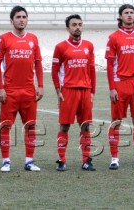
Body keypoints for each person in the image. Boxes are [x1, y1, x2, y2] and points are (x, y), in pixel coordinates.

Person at [0, 5, 44, 172]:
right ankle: (6, 161)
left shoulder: (33, 39)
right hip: (10, 89)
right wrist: (0, 87)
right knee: (6, 125)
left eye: (24, 17)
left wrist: (41, 85)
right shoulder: (3, 38)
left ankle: (29, 161)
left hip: (29, 90)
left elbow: (38, 63)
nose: (21, 19)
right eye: (18, 17)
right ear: (11, 20)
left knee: (30, 125)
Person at [105, 4, 134, 170]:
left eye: (132, 12)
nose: (130, 15)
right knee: (116, 121)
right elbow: (109, 65)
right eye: (126, 13)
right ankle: (114, 158)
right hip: (120, 82)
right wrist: (112, 87)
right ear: (120, 16)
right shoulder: (113, 37)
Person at [52, 14, 96, 172]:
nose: (77, 27)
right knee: (64, 126)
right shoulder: (60, 47)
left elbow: (92, 70)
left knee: (85, 126)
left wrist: (93, 92)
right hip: (68, 91)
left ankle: (86, 160)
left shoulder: (89, 46)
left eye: (80, 24)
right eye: (74, 25)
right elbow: (54, 71)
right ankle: (61, 160)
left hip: (85, 91)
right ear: (67, 28)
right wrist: (58, 91)